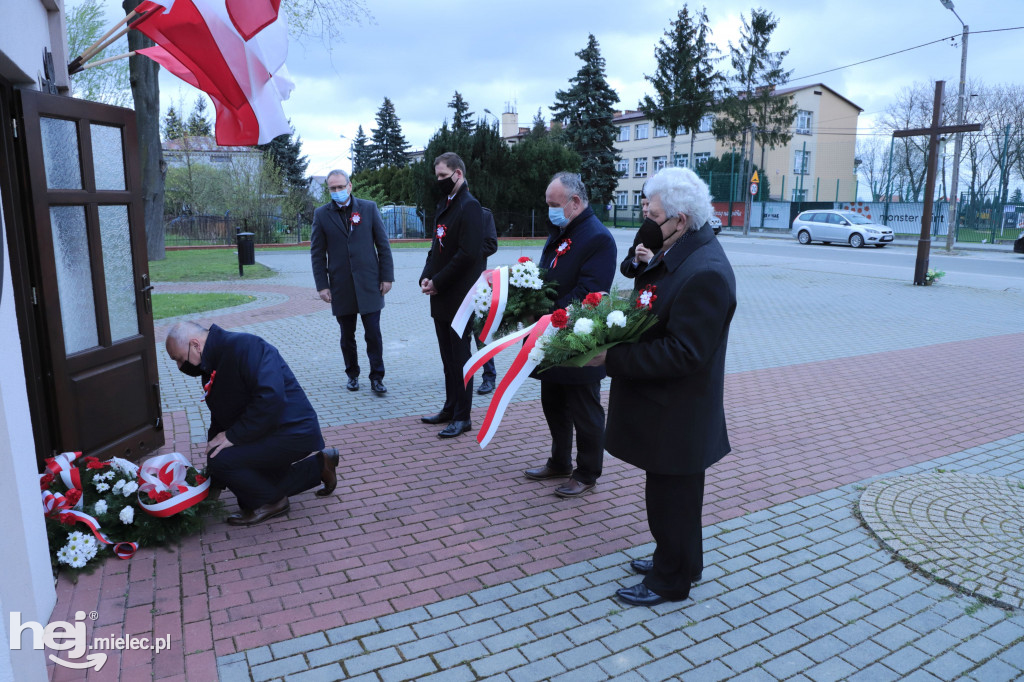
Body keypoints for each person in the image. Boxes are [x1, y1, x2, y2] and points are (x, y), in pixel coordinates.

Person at [592, 167, 737, 606]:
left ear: (680, 220)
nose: (645, 218)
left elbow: (683, 353)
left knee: (671, 499)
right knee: (676, 497)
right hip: (670, 409)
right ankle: (679, 561)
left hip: (679, 411)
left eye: (651, 213)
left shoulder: (705, 272)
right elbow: (656, 300)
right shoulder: (684, 250)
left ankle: (669, 582)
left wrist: (611, 358)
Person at [164, 321, 339, 526]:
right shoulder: (213, 362)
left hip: (293, 431)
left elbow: (270, 398)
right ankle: (319, 466)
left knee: (230, 470)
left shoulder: (247, 346)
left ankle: (273, 502)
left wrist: (232, 438)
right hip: (267, 429)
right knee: (232, 473)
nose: (179, 367)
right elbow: (221, 417)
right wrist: (215, 481)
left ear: (195, 345)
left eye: (179, 359)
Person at [524, 172, 616, 498]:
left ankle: (588, 472)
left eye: (553, 204)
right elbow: (545, 275)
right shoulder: (562, 231)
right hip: (551, 336)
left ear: (574, 202)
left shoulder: (597, 238)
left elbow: (588, 292)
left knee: (584, 409)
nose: (549, 209)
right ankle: (559, 461)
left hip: (578, 340)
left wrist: (544, 314)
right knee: (553, 402)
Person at [311, 170, 394, 395]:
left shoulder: (368, 208)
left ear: (350, 186)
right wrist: (322, 285)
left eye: (340, 187)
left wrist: (387, 277)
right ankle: (352, 374)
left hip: (369, 284)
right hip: (341, 286)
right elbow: (317, 254)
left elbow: (383, 245)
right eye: (332, 188)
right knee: (347, 336)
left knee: (373, 334)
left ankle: (377, 377)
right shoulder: (321, 215)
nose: (337, 192)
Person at [419, 152, 485, 438]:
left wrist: (438, 281)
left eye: (444, 176)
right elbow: (436, 248)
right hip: (441, 295)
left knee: (460, 358)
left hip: (459, 295)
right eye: (438, 177)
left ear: (458, 174)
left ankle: (463, 416)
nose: (440, 181)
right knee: (447, 358)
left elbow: (468, 254)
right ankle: (450, 407)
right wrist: (425, 275)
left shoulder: (470, 207)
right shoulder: (445, 205)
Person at [476, 207, 499, 395]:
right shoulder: (447, 213)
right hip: (451, 287)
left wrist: (466, 252)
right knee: (457, 336)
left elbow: (491, 244)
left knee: (481, 334)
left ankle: (489, 377)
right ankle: (460, 375)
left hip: (477, 285)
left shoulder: (483, 214)